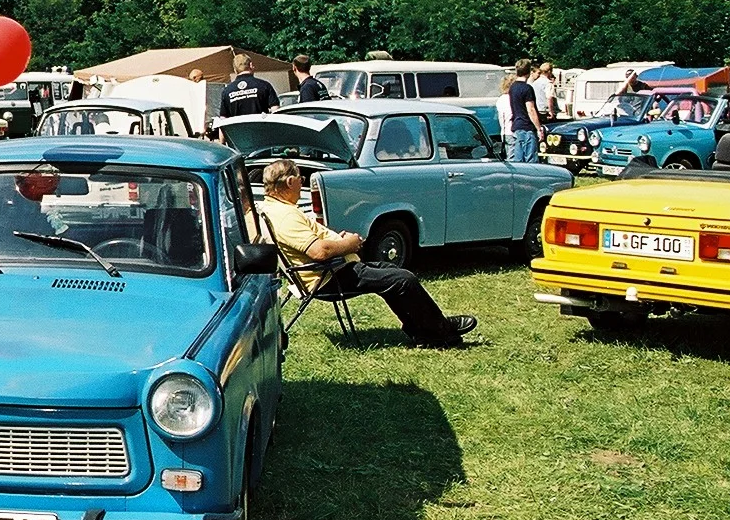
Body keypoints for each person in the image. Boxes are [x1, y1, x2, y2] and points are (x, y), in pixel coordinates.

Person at [257, 158, 476, 347]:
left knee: (391, 272)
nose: (302, 183)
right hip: (328, 277)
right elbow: (319, 252)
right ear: (290, 181)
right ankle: (441, 331)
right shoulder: (285, 216)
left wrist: (337, 240)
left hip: (329, 270)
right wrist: (349, 244)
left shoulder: (272, 209)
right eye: (300, 179)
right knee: (403, 280)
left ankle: (423, 330)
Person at [219, 53, 279, 120]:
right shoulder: (264, 85)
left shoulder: (227, 91)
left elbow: (223, 118)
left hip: (238, 127)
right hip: (261, 126)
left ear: (235, 70)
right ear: (251, 65)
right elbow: (275, 111)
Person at [507, 60, 543, 163]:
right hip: (527, 127)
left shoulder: (512, 87)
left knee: (518, 159)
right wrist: (539, 128)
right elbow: (530, 110)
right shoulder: (527, 88)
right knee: (530, 160)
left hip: (516, 125)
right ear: (528, 71)